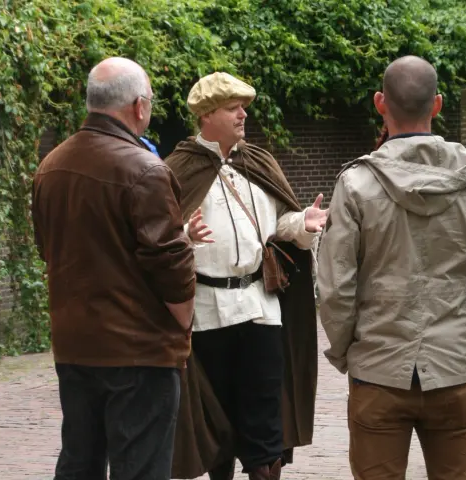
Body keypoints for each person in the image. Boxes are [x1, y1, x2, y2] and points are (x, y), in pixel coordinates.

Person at [317, 55, 466, 480]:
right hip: (455, 367)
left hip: (378, 367)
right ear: (438, 104)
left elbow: (335, 286)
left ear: (380, 103)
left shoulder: (356, 183)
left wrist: (347, 349)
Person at [31, 57, 195, 480]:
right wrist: (183, 323)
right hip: (139, 351)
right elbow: (171, 263)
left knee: (79, 462)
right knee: (140, 468)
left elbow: (47, 249)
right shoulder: (145, 169)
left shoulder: (51, 166)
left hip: (75, 345)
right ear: (139, 106)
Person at [164, 72, 324, 480]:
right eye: (233, 107)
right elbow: (158, 239)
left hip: (259, 307)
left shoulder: (258, 162)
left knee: (265, 420)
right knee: (216, 418)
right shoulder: (176, 171)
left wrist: (302, 223)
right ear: (206, 115)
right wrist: (185, 236)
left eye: (244, 107)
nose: (243, 115)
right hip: (206, 313)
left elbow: (279, 224)